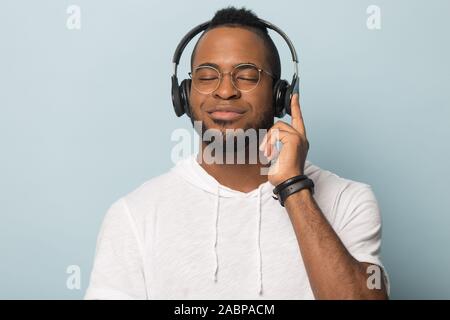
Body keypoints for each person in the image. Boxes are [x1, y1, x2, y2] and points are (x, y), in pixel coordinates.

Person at [85, 6, 389, 300]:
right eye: (207, 76)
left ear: (278, 94)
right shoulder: (133, 216)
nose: (225, 91)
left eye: (246, 76)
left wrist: (293, 188)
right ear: (184, 95)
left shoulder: (348, 200)